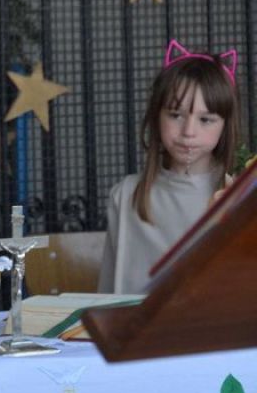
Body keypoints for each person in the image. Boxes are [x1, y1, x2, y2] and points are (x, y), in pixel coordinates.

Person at [98, 40, 238, 294]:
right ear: (157, 115)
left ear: (225, 125)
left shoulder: (241, 194)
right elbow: (105, 295)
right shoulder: (125, 194)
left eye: (206, 119)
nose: (188, 132)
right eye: (175, 115)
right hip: (134, 321)